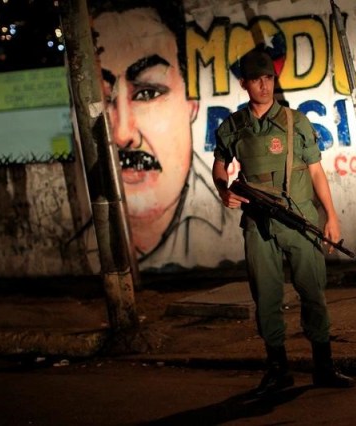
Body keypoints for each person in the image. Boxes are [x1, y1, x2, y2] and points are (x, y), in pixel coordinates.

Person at [212, 48, 355, 394]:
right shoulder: (233, 126)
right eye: (257, 80)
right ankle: (277, 369)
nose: (264, 86)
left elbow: (317, 172)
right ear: (244, 84)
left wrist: (331, 216)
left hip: (299, 218)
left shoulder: (296, 122)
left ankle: (324, 366)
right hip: (258, 224)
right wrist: (223, 190)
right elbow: (219, 167)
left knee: (313, 293)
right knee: (266, 298)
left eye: (269, 79)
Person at [83, 0, 240, 270]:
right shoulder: (83, 248)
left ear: (190, 106)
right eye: (103, 96)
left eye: (148, 93)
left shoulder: (235, 229)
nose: (122, 135)